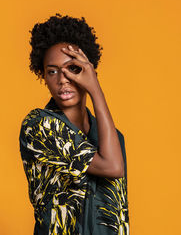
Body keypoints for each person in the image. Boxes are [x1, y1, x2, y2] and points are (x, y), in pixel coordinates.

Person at [19, 13, 129, 235]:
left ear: (89, 70)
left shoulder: (113, 139)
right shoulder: (39, 126)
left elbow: (118, 215)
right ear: (43, 76)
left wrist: (93, 85)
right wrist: (96, 90)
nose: (62, 79)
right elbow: (112, 167)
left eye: (73, 69)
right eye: (52, 71)